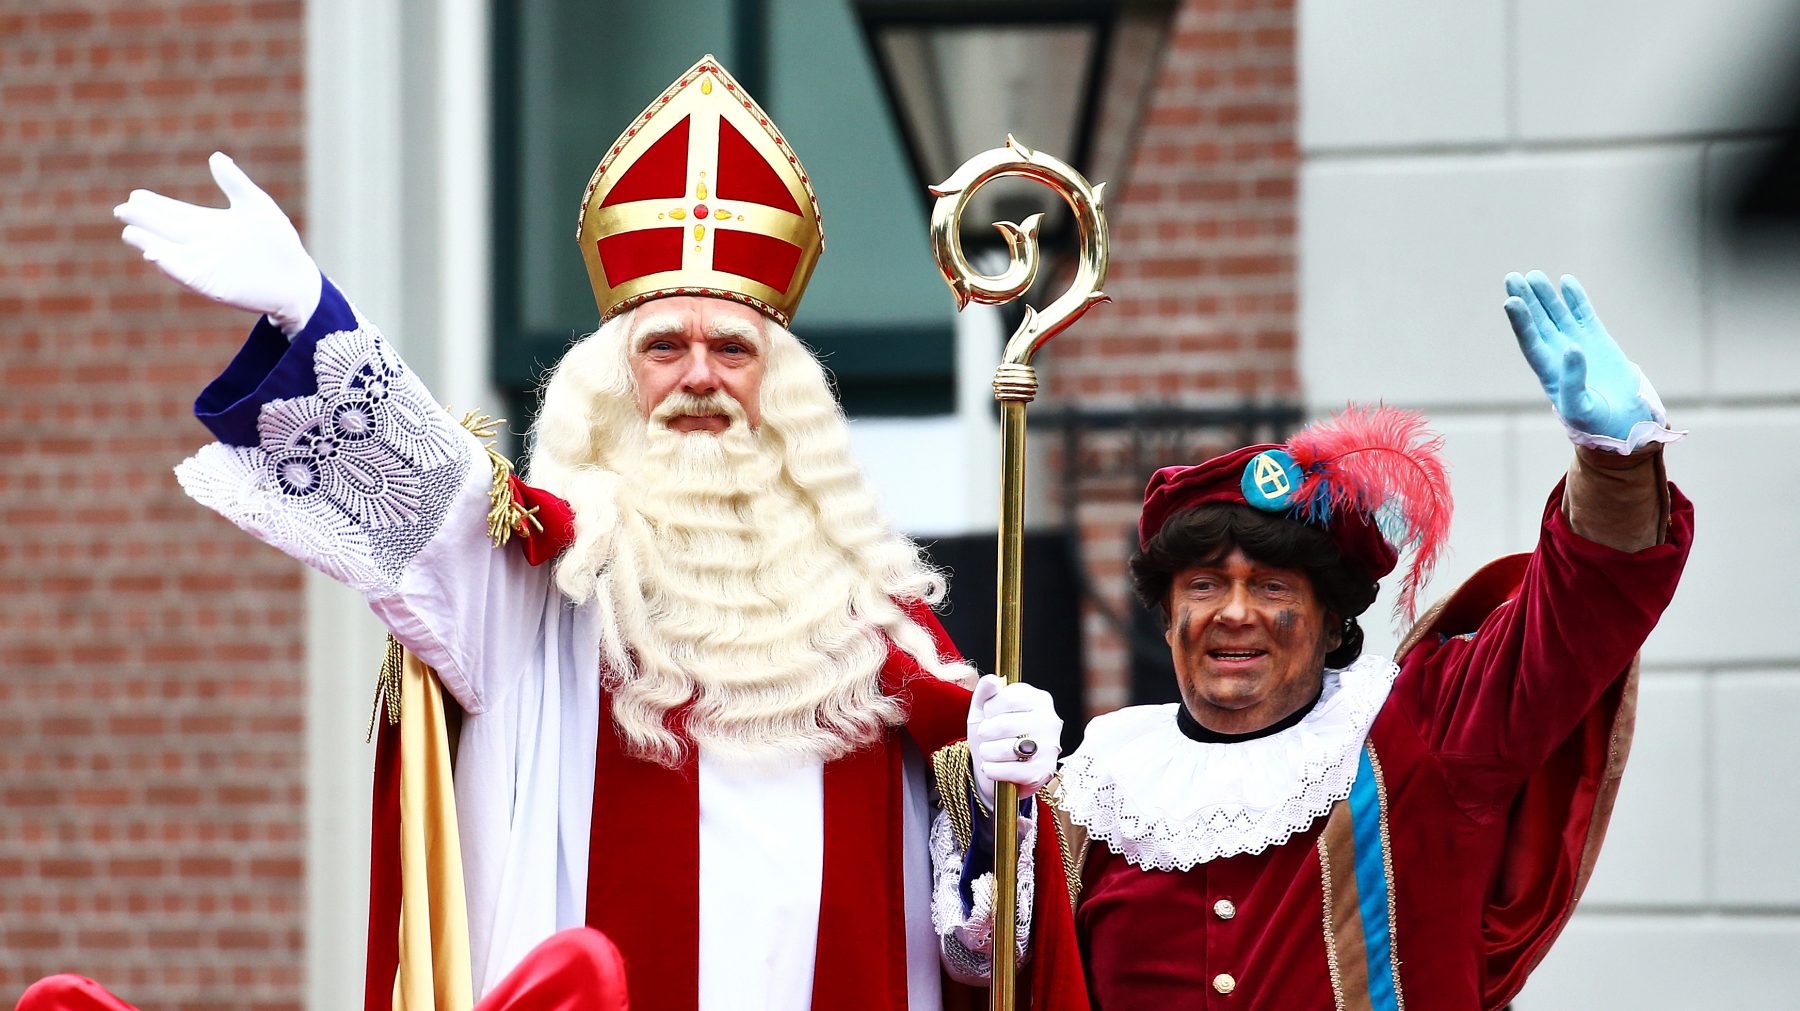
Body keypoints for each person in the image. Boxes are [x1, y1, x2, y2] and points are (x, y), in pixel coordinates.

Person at [22, 56, 1078, 1011]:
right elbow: (433, 484)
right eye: (663, 346)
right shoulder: (541, 595)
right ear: (608, 386)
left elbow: (984, 954)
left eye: (734, 351)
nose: (700, 378)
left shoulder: (882, 636)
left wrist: (997, 799)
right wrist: (311, 305)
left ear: (788, 395)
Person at [1047, 272, 1693, 1009]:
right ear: (1166, 617)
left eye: (1271, 586)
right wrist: (981, 805)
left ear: (1331, 622)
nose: (1234, 612)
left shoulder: (1416, 733)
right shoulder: (1092, 791)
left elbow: (1579, 610)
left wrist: (1615, 462)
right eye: (1202, 584)